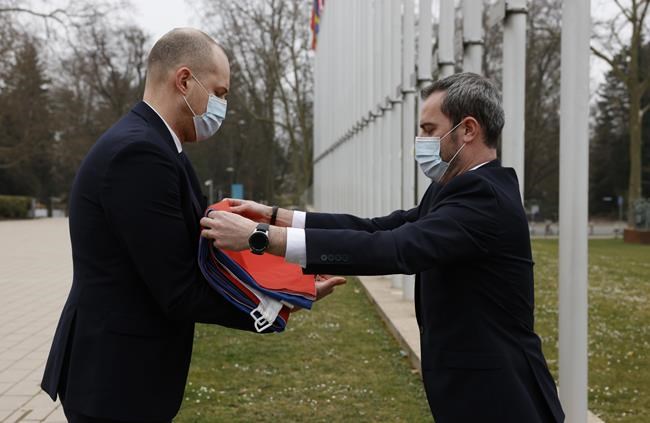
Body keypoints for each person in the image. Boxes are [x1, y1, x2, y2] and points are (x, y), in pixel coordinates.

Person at [200, 73, 565, 422]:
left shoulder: (483, 197)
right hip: (473, 393)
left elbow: (395, 248)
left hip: (502, 398)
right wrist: (277, 216)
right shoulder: (451, 188)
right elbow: (380, 227)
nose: (420, 142)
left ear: (468, 129)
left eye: (429, 130)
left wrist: (260, 238)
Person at [41, 28, 344, 423]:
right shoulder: (140, 154)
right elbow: (179, 288)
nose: (222, 105)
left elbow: (193, 251)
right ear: (184, 81)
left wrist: (285, 269)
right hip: (115, 381)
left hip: (124, 373)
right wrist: (279, 302)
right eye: (219, 93)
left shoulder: (159, 147)